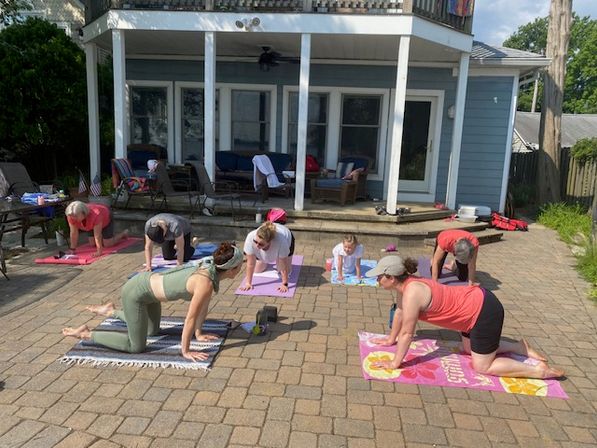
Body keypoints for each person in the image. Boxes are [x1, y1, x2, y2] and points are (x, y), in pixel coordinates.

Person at [366, 255, 564, 379]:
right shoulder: (406, 286)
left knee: (482, 367)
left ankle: (539, 371)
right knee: (469, 350)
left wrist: (395, 363)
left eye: (379, 277)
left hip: (484, 311)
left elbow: (408, 333)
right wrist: (391, 339)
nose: (376, 280)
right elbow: (400, 312)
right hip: (471, 310)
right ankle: (519, 347)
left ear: (391, 277)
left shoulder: (412, 292)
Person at [61, 242, 243, 361]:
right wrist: (185, 351)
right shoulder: (205, 282)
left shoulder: (210, 268)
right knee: (136, 347)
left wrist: (199, 334)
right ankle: (86, 334)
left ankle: (110, 311)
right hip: (136, 293)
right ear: (232, 269)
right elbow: (190, 317)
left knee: (152, 331)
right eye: (241, 265)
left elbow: (203, 307)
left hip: (151, 294)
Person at [241, 221, 295, 293]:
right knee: (257, 270)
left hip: (287, 237)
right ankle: (266, 259)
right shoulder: (251, 237)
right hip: (269, 245)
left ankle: (276, 259)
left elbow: (283, 267)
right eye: (255, 242)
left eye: (261, 244)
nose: (257, 246)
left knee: (283, 270)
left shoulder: (281, 242)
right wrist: (248, 283)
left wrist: (284, 284)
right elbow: (250, 264)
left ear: (269, 242)